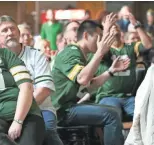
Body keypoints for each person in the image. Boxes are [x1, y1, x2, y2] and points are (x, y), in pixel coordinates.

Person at [51, 14, 129, 145]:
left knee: (111, 111)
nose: (100, 41)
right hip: (61, 111)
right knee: (112, 115)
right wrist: (100, 52)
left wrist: (111, 71)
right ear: (86, 35)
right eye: (98, 37)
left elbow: (89, 84)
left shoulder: (81, 54)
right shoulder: (70, 52)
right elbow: (82, 79)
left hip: (70, 107)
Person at [0, 15, 63, 145]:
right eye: (4, 30)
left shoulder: (36, 55)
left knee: (47, 131)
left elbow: (44, 90)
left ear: (18, 32)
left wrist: (19, 114)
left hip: (41, 108)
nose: (10, 33)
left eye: (12, 29)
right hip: (7, 113)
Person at [95, 13, 153, 118]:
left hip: (129, 97)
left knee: (144, 116)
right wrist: (106, 30)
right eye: (109, 26)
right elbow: (101, 52)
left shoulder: (131, 47)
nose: (114, 26)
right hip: (108, 97)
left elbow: (148, 45)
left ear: (121, 31)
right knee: (113, 116)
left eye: (115, 25)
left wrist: (136, 24)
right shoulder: (103, 49)